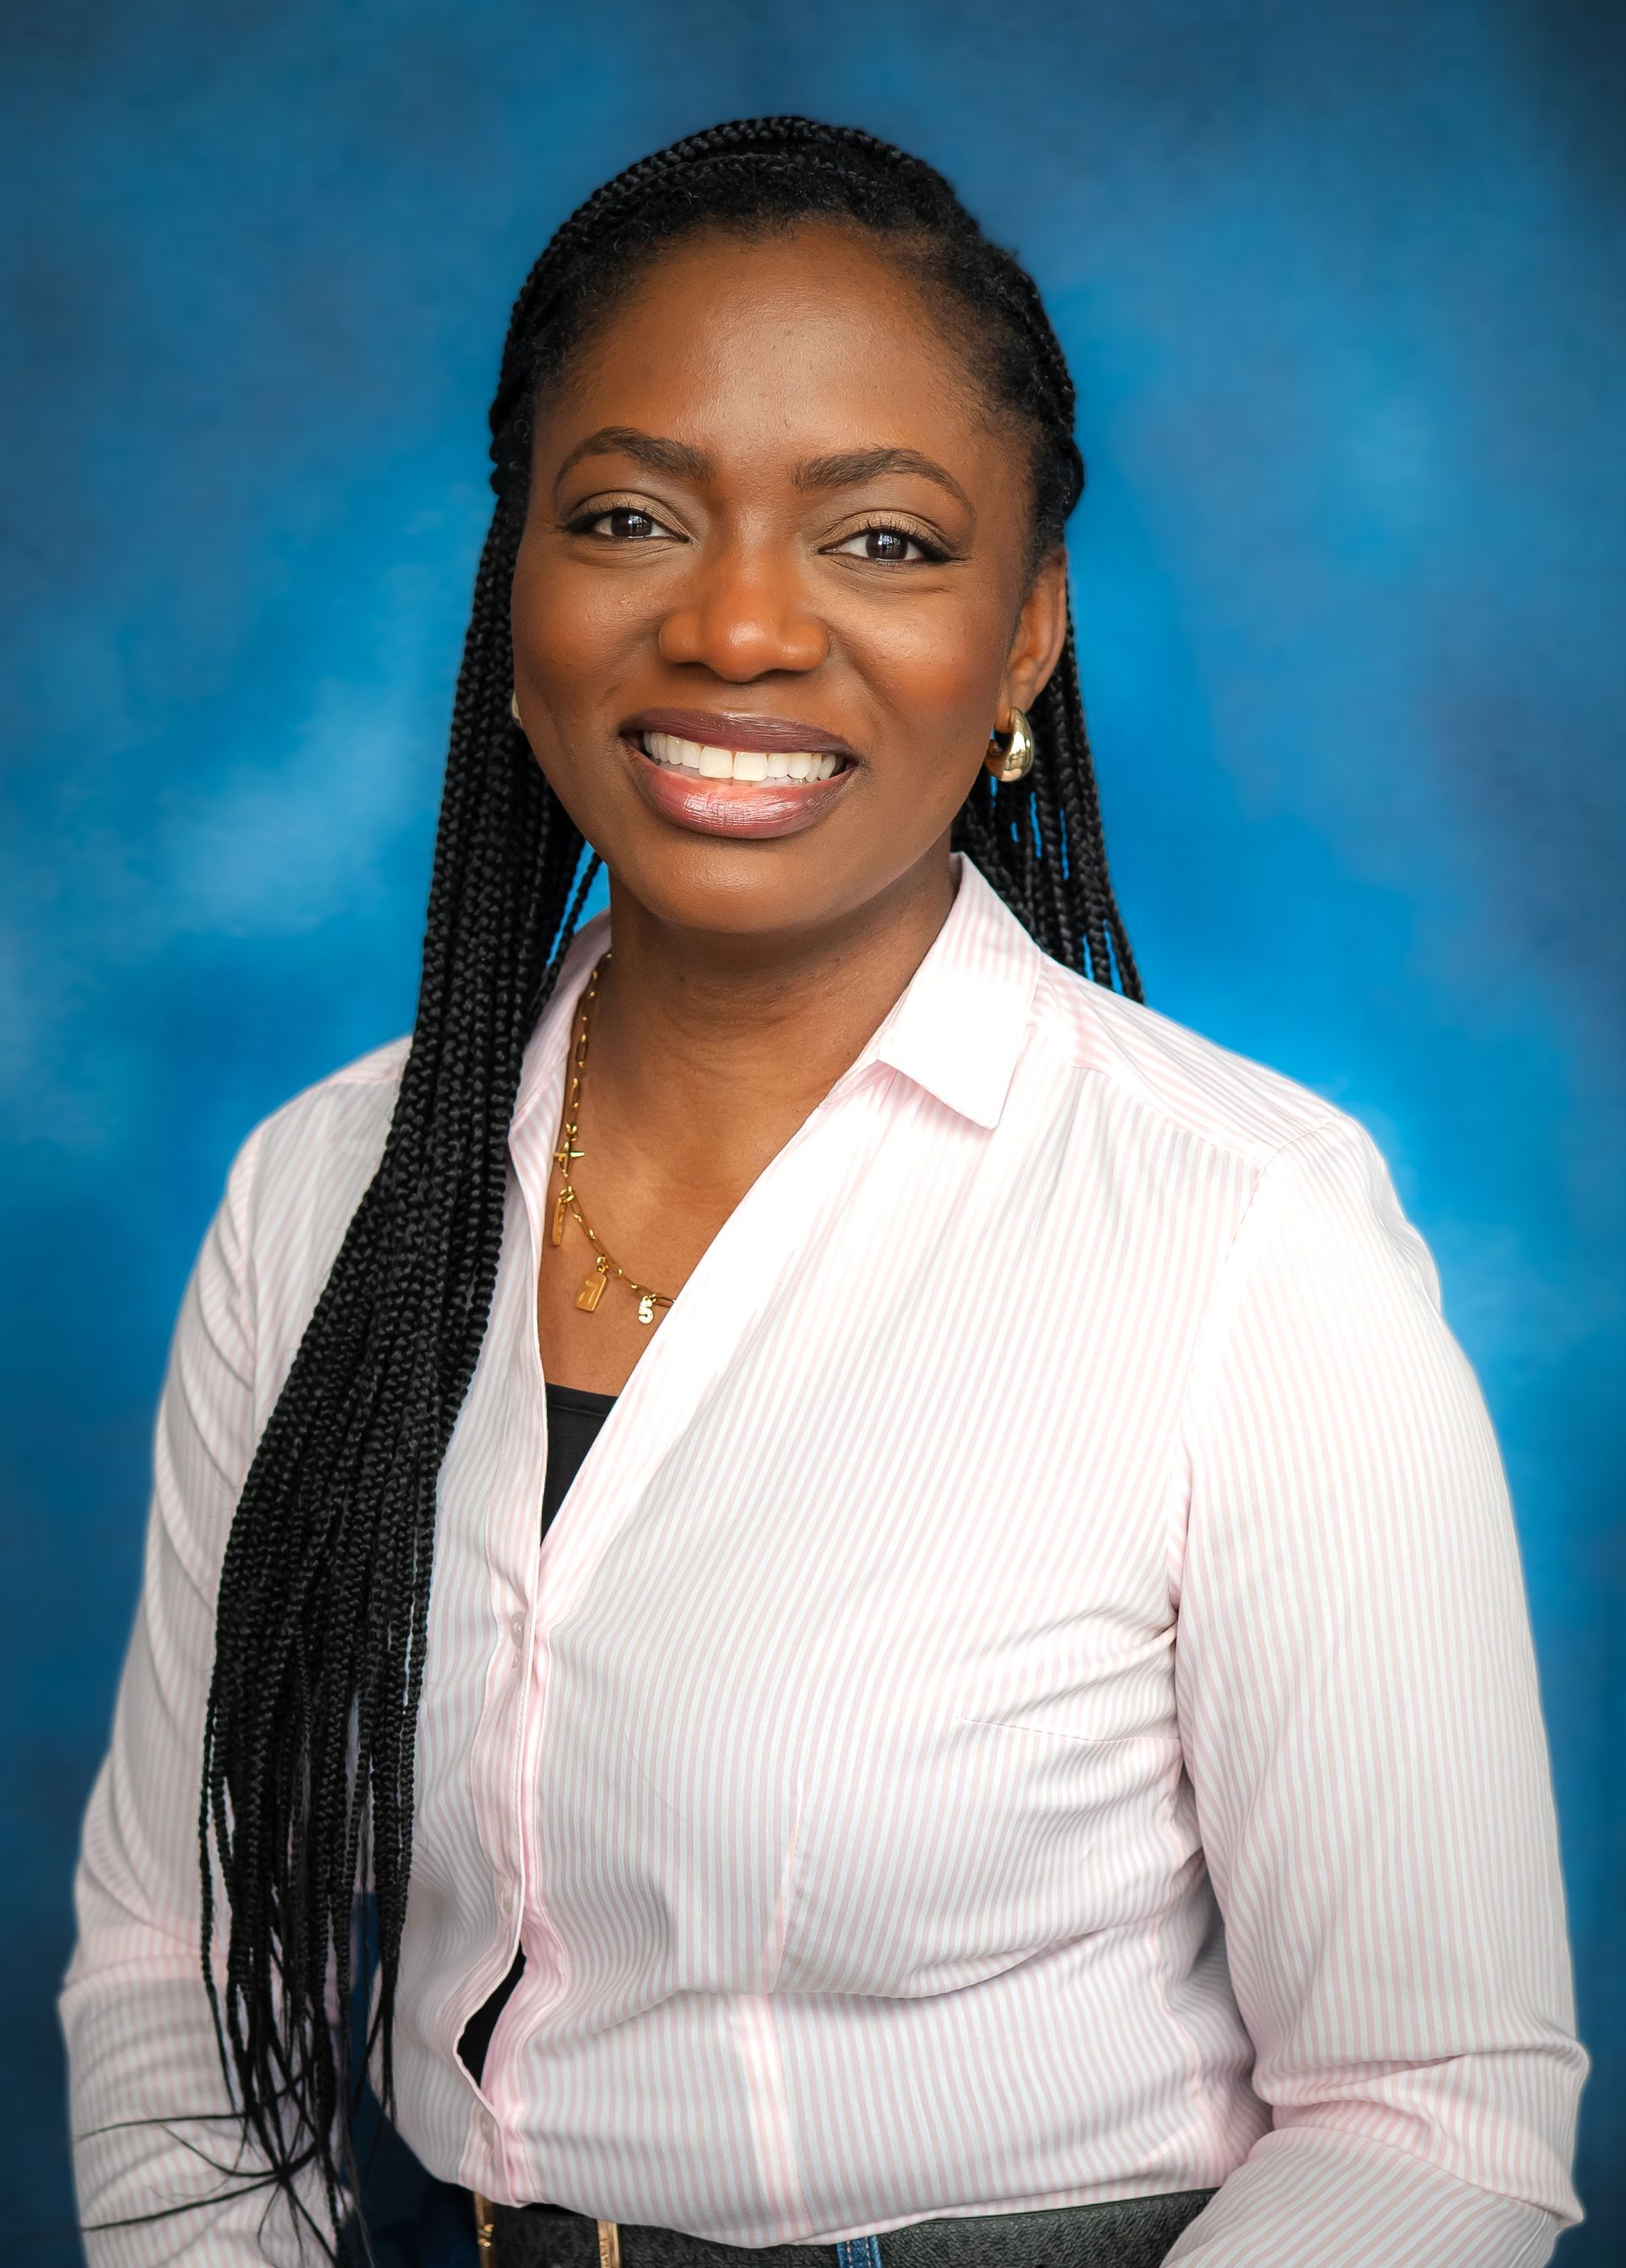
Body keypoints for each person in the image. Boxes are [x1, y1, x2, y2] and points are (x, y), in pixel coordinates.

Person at [62, 118, 1585, 2268]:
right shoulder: (321, 1190)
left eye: (880, 540)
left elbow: (1435, 2123)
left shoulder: (1251, 1243)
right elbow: (175, 1944)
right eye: (628, 514)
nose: (744, 624)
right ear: (515, 591)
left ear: (1027, 634)